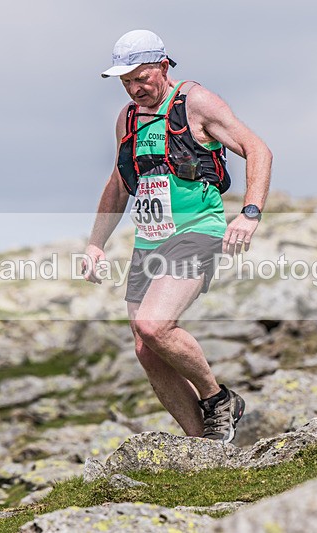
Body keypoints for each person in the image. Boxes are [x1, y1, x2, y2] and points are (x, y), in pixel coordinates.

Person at [82, 29, 272, 443]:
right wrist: (96, 243)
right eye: (126, 82)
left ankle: (218, 398)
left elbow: (258, 149)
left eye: (142, 78)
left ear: (164, 66)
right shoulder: (128, 117)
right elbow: (119, 183)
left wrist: (250, 214)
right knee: (146, 349)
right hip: (149, 240)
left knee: (154, 325)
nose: (135, 88)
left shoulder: (195, 102)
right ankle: (202, 447)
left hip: (196, 231)